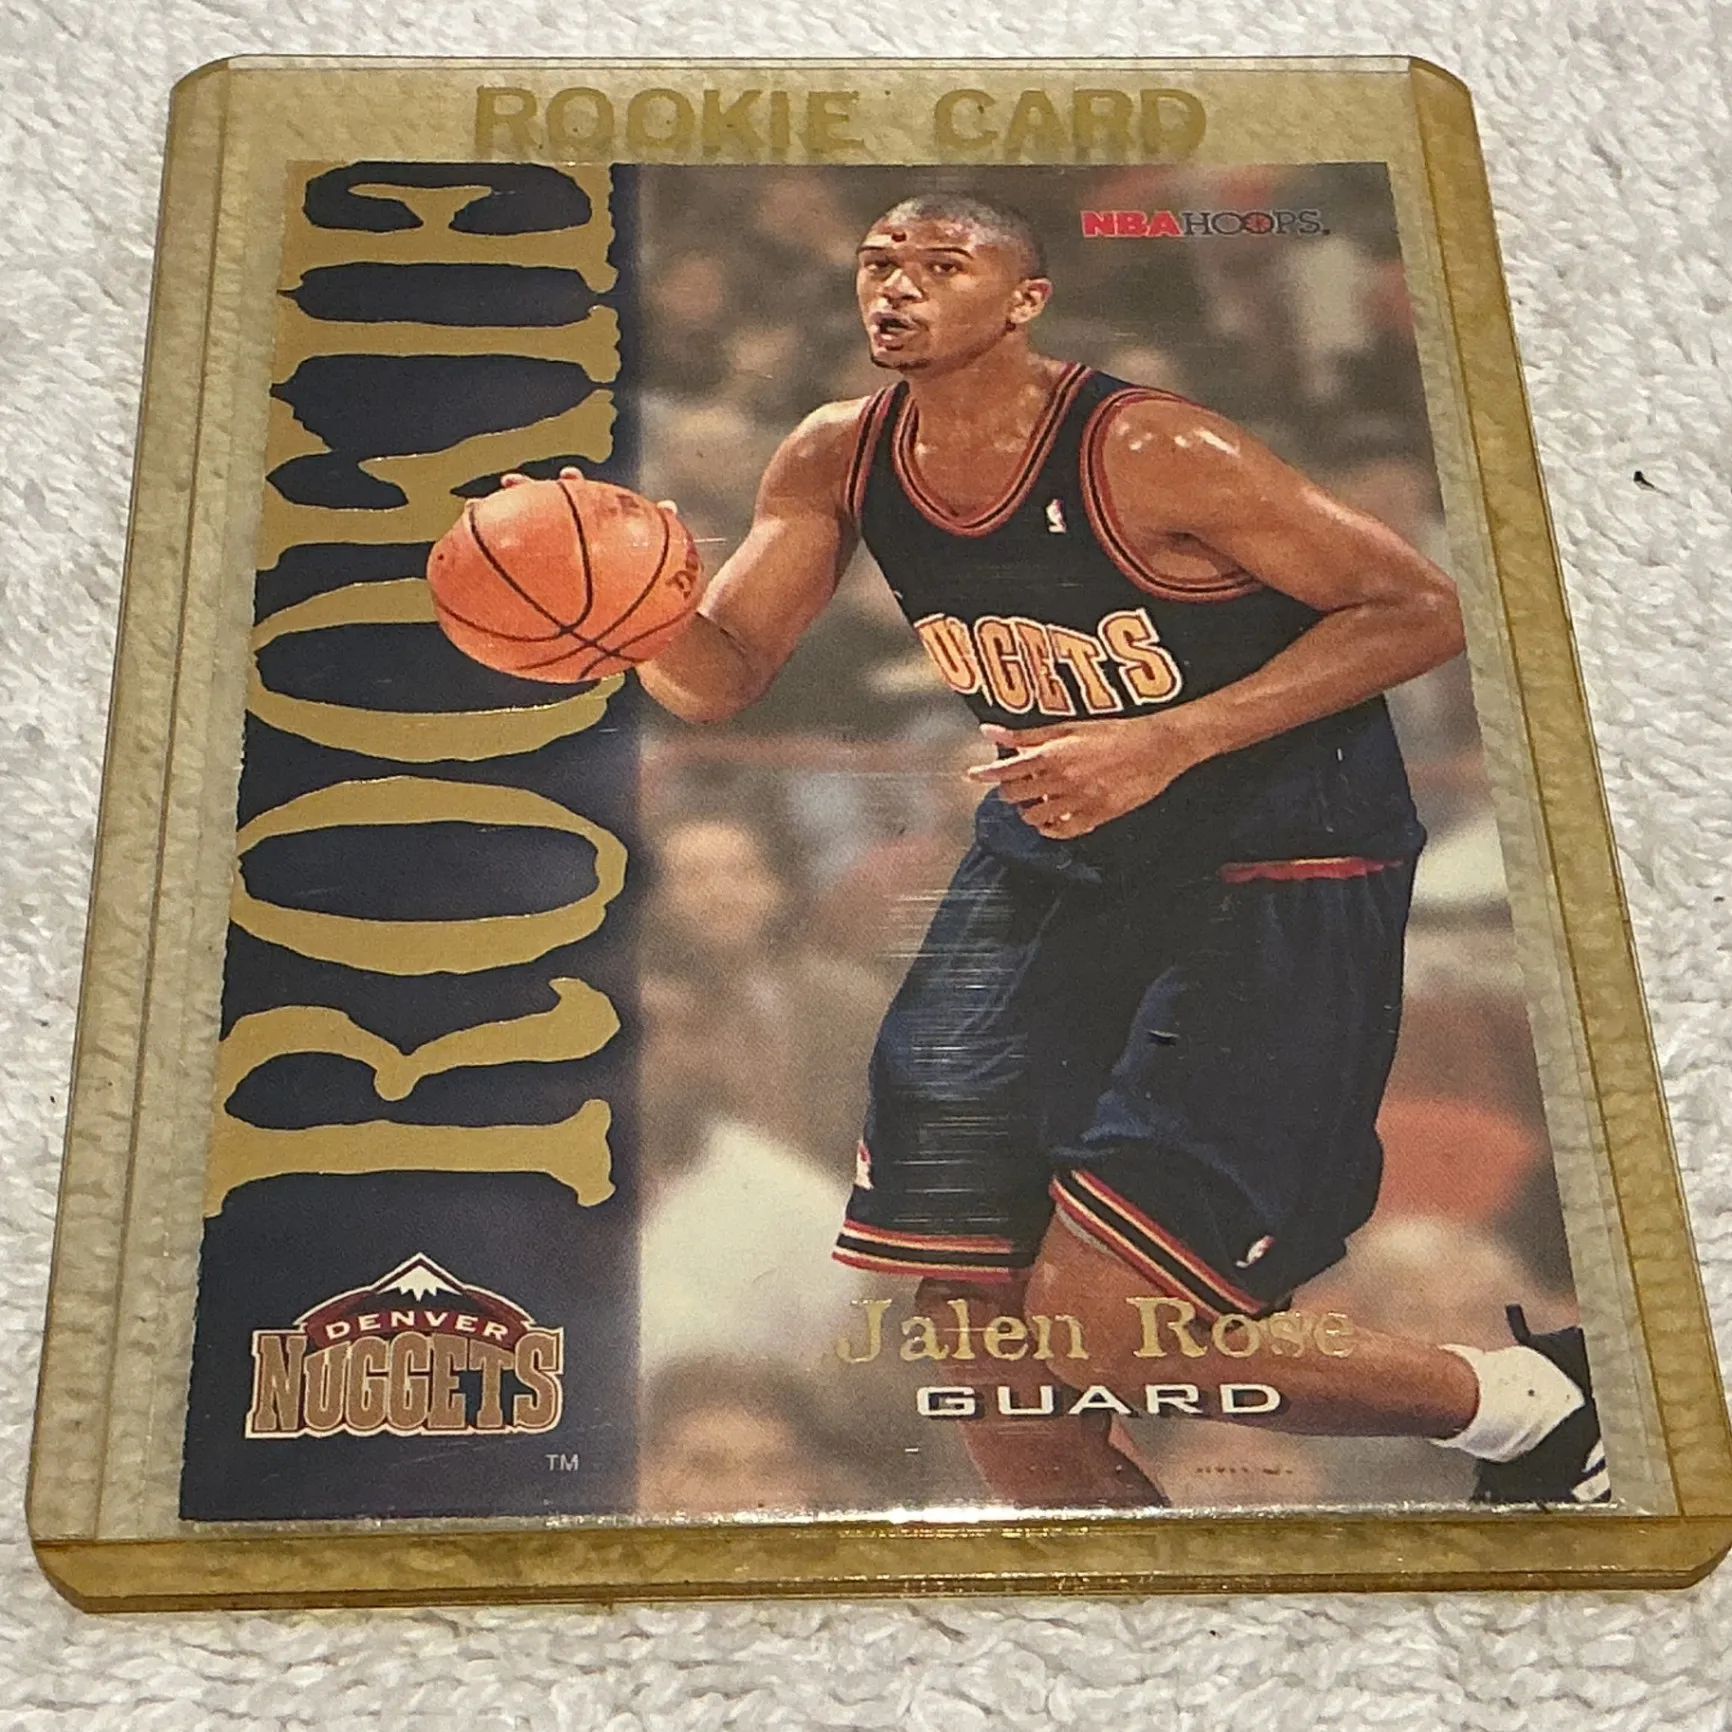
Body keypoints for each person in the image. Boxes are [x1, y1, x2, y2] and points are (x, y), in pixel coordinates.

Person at [524, 193, 1606, 1509]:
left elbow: (1419, 605)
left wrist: (1172, 739)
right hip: (1056, 859)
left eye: (942, 265)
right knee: (978, 1346)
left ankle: (1531, 1406)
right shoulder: (833, 454)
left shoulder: (1152, 448)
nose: (897, 288)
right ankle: (1129, 1609)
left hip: (1272, 862)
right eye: (880, 264)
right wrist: (619, 614)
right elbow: (724, 672)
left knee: (1106, 1331)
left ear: (1025, 300)